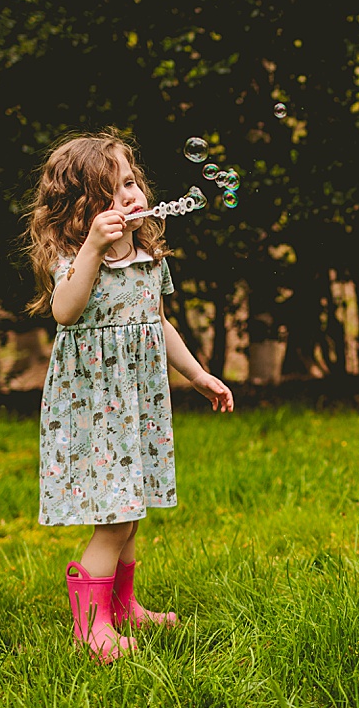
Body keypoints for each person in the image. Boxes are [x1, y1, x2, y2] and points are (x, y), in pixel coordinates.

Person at [25, 130, 234, 663]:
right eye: (113, 191)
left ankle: (123, 606)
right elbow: (65, 311)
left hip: (137, 407)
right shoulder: (74, 258)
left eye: (132, 182)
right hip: (96, 409)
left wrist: (198, 375)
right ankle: (91, 628)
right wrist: (94, 246)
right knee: (113, 517)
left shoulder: (148, 255)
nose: (133, 196)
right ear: (81, 210)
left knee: (130, 511)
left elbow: (156, 324)